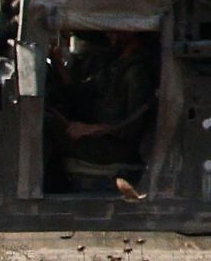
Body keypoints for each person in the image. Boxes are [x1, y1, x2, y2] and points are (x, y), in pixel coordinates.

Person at [50, 27, 158, 196]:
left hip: (116, 147)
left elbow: (132, 126)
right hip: (101, 138)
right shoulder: (115, 63)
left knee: (47, 128)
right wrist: (57, 63)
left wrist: (90, 129)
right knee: (47, 119)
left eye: (115, 28)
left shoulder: (137, 72)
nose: (108, 33)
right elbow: (83, 93)